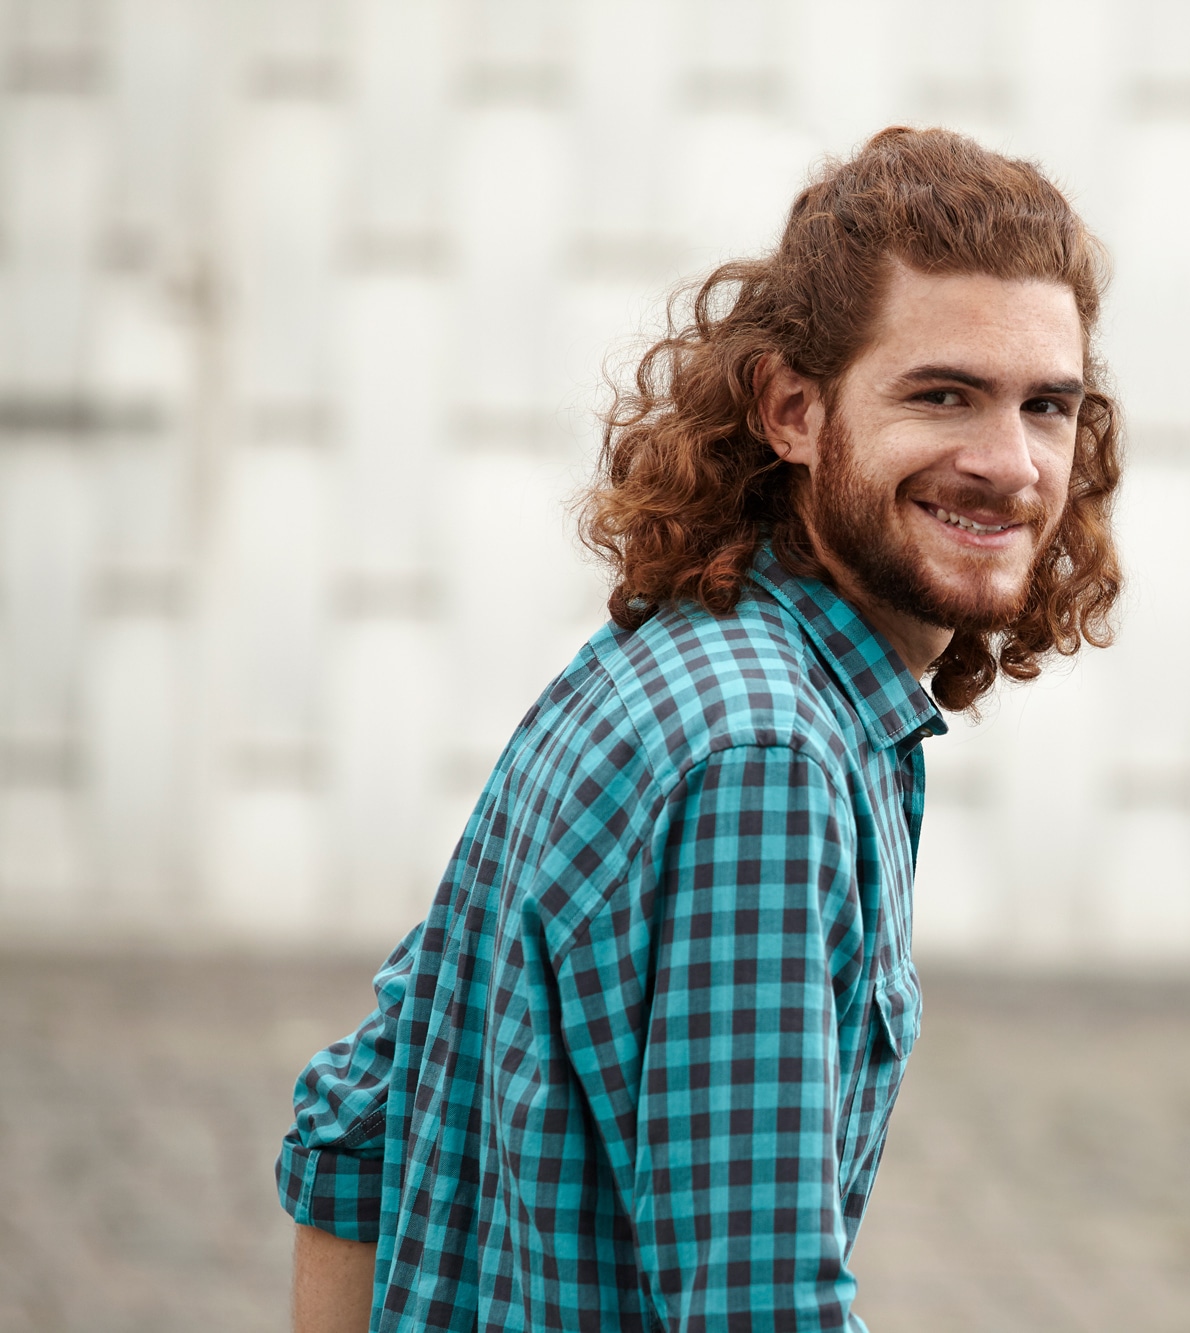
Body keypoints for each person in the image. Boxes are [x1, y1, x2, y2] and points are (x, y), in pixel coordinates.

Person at [277, 126, 1122, 1332]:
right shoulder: (763, 761)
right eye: (942, 394)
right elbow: (756, 1307)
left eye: (1048, 405)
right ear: (791, 410)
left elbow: (358, 1120)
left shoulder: (673, 658)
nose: (1009, 463)